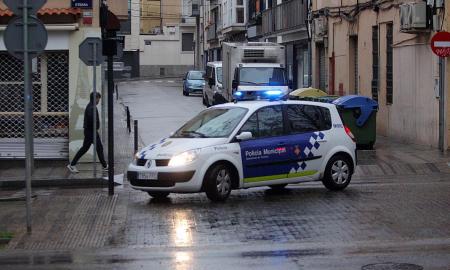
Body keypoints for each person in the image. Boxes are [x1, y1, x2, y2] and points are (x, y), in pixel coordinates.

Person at [67, 92, 108, 173]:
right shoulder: (91, 108)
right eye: (98, 98)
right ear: (95, 98)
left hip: (90, 131)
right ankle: (72, 165)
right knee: (97, 148)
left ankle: (104, 166)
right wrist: (95, 127)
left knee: (88, 148)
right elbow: (91, 120)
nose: (99, 100)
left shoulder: (91, 106)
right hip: (91, 132)